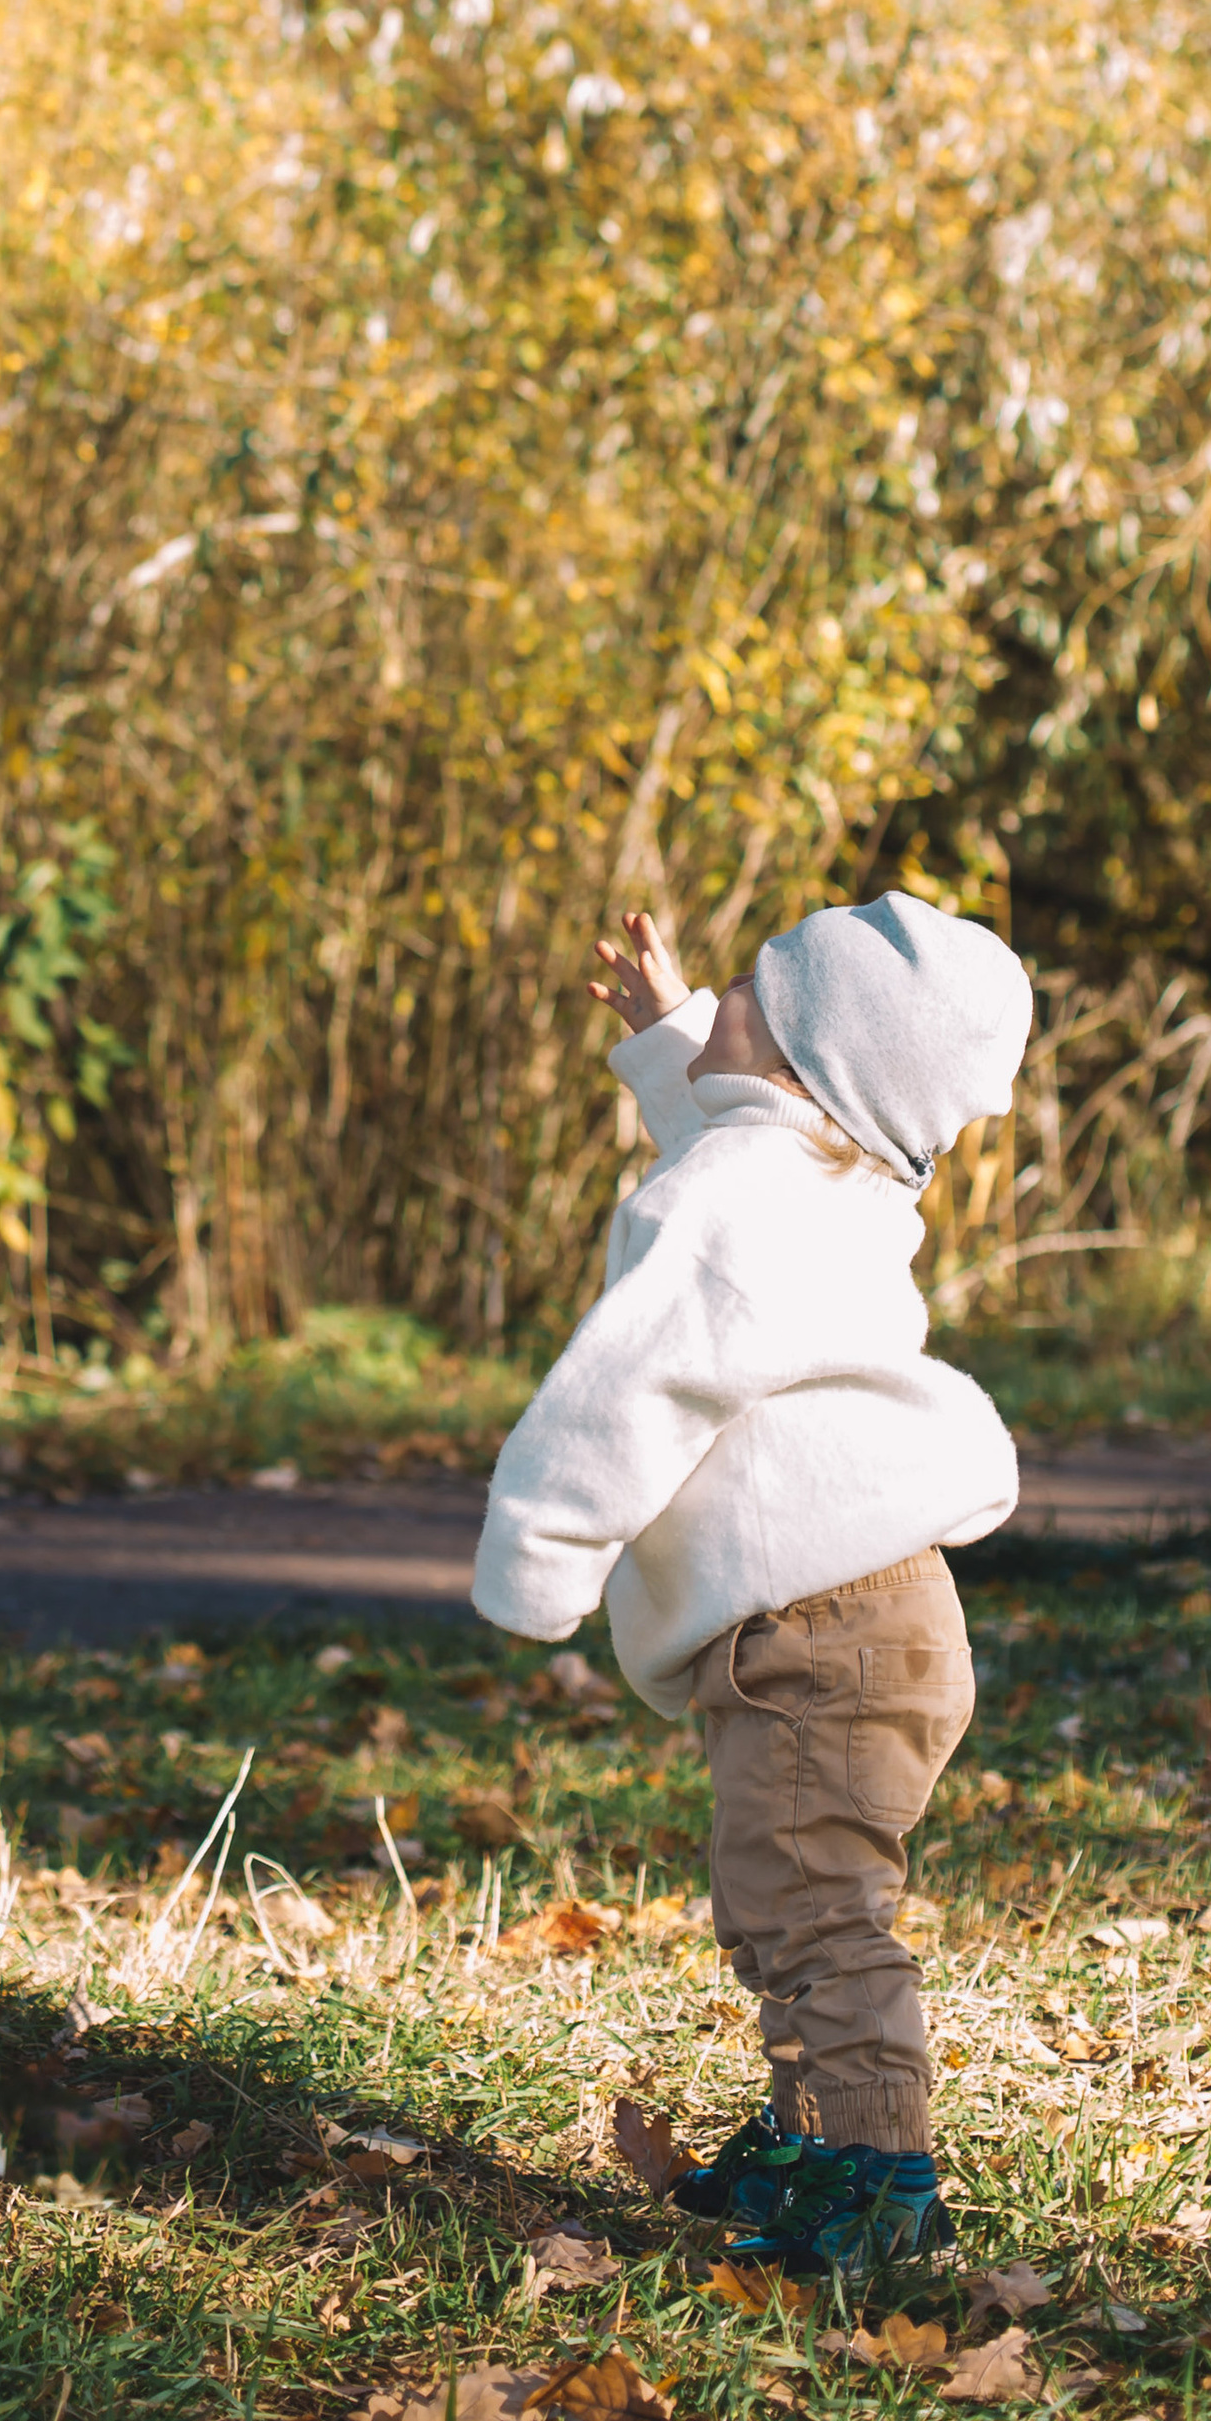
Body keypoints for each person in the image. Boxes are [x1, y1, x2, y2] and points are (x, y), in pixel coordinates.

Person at [472, 888, 1033, 2275]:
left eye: (750, 995)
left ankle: (882, 2177)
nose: (723, 991)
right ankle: (812, 2137)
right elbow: (746, 1136)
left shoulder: (735, 1200)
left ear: (800, 1062)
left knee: (818, 1912)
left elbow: (629, 1383)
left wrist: (541, 1554)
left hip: (818, 1633)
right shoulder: (833, 1182)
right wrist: (683, 1034)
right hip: (868, 1621)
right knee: (781, 1897)